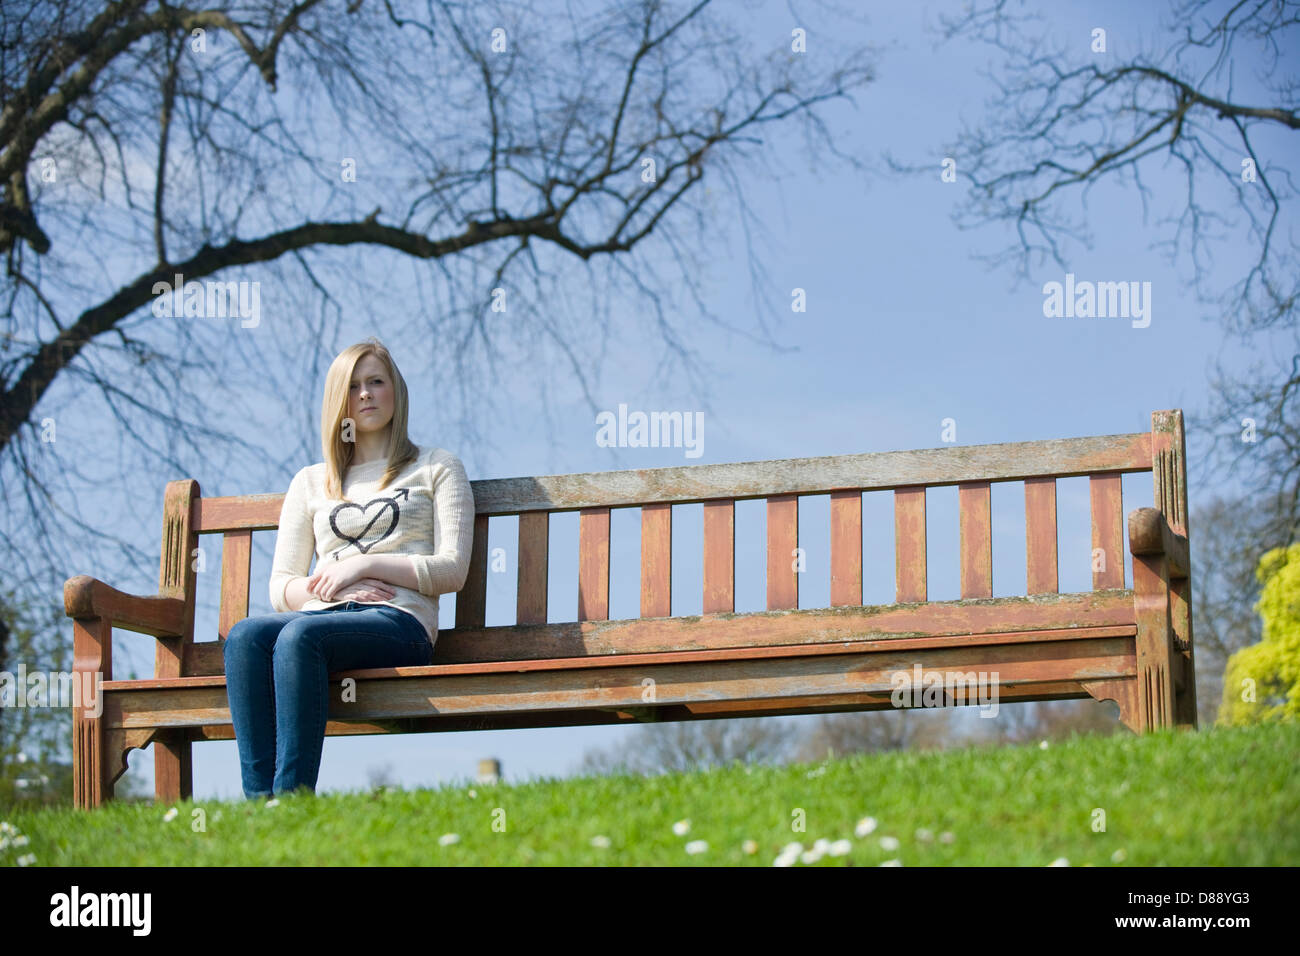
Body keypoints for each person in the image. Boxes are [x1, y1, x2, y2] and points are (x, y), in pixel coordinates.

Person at [223, 337, 476, 798]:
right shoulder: (311, 482)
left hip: (399, 623)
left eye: (376, 382)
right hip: (324, 617)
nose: (366, 394)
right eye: (354, 386)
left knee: (299, 637)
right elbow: (281, 587)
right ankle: (260, 808)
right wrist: (331, 592)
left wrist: (363, 564)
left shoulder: (436, 467)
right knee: (245, 637)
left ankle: (293, 800)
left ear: (395, 391)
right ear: (338, 401)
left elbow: (452, 570)